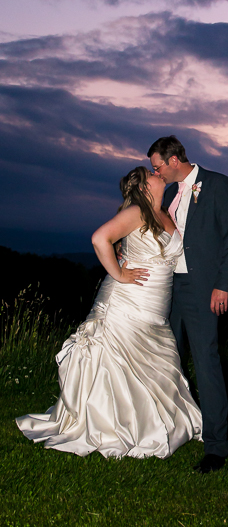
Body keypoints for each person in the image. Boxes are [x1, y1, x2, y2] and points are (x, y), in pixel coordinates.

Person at [16, 167, 202, 459]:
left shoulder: (165, 213)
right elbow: (100, 237)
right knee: (115, 362)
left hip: (155, 305)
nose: (158, 173)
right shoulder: (138, 211)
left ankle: (153, 422)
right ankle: (111, 425)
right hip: (126, 301)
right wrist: (119, 273)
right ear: (142, 187)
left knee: (154, 363)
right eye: (152, 173)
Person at [147, 135, 228, 474]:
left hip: (204, 287)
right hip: (170, 287)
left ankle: (216, 446)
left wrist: (223, 284)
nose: (156, 173)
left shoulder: (218, 184)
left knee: (206, 362)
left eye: (158, 166)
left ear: (174, 160)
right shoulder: (172, 193)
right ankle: (170, 431)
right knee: (167, 359)